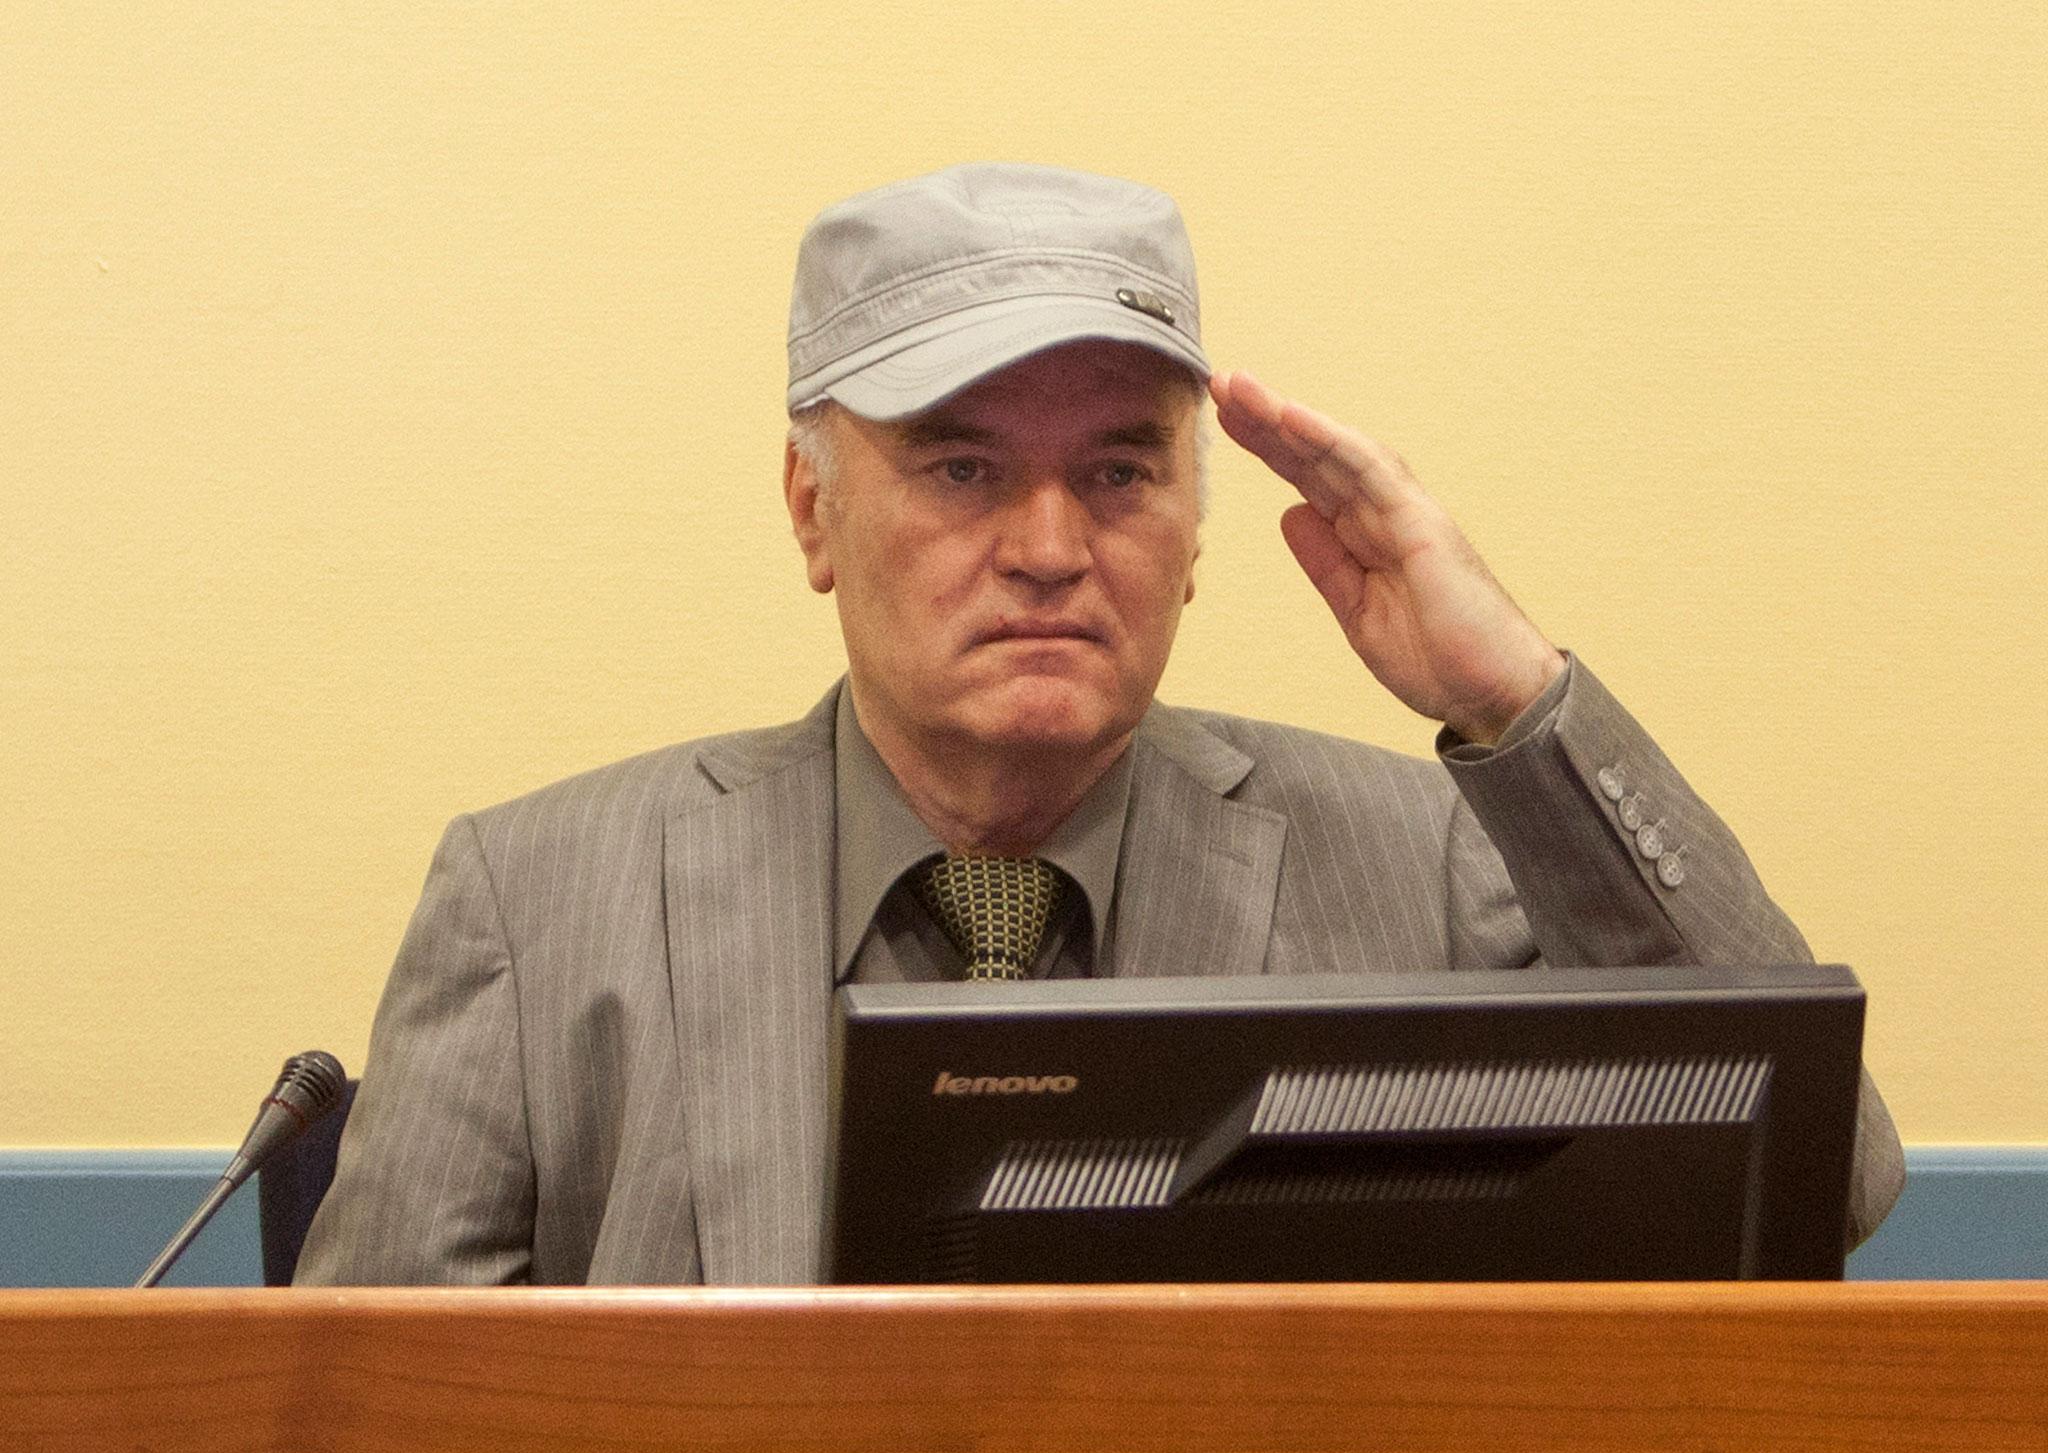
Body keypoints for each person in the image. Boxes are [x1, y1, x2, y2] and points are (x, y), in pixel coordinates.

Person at [296, 163, 1903, 1285]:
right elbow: (350, 1447)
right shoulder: (537, 903)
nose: (1054, 547)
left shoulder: (1424, 867)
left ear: (1197, 526)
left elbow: (1826, 1188)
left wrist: (1517, 703)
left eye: (1123, 472)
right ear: (812, 511)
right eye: (963, 466)